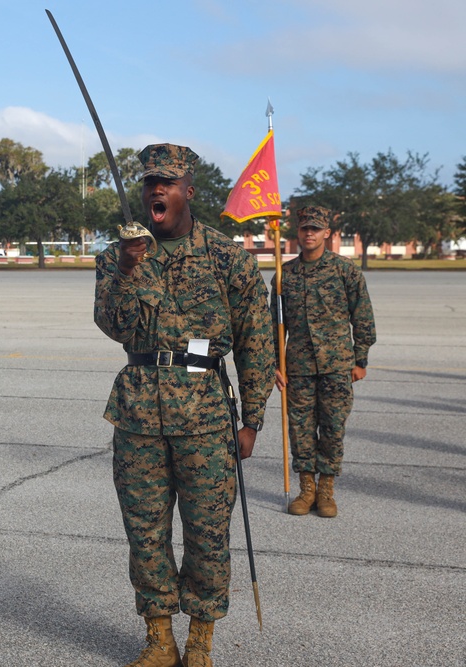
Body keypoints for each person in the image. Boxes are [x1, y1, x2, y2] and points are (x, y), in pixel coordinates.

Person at [94, 144, 274, 667]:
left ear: (188, 191)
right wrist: (129, 270)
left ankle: (199, 641)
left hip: (206, 416)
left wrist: (253, 418)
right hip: (139, 415)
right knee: (145, 532)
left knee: (208, 533)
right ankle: (158, 639)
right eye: (150, 182)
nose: (157, 190)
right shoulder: (117, 255)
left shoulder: (226, 258)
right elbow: (113, 325)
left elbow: (256, 341)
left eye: (168, 182)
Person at [276, 205, 376, 518]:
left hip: (338, 365)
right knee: (301, 430)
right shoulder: (284, 275)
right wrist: (274, 364)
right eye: (305, 228)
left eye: (315, 229)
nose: (309, 234)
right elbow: (273, 325)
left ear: (327, 233)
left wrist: (361, 359)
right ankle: (307, 490)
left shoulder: (345, 270)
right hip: (299, 367)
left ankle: (326, 490)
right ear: (298, 231)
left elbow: (362, 316)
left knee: (332, 429)